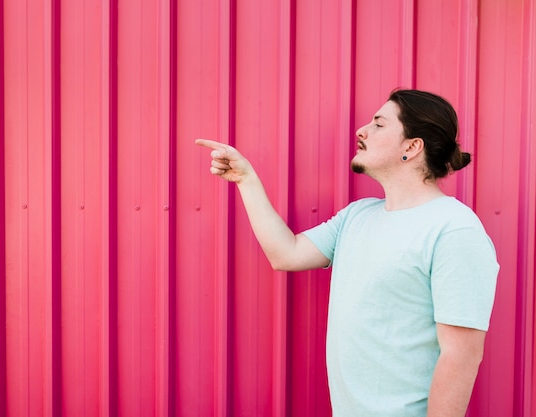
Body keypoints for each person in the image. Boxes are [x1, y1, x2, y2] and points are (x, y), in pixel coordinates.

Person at [196, 89, 499, 417]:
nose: (362, 130)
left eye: (379, 124)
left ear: (412, 147)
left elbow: (460, 355)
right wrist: (246, 179)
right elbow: (288, 253)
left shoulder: (454, 230)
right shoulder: (358, 215)